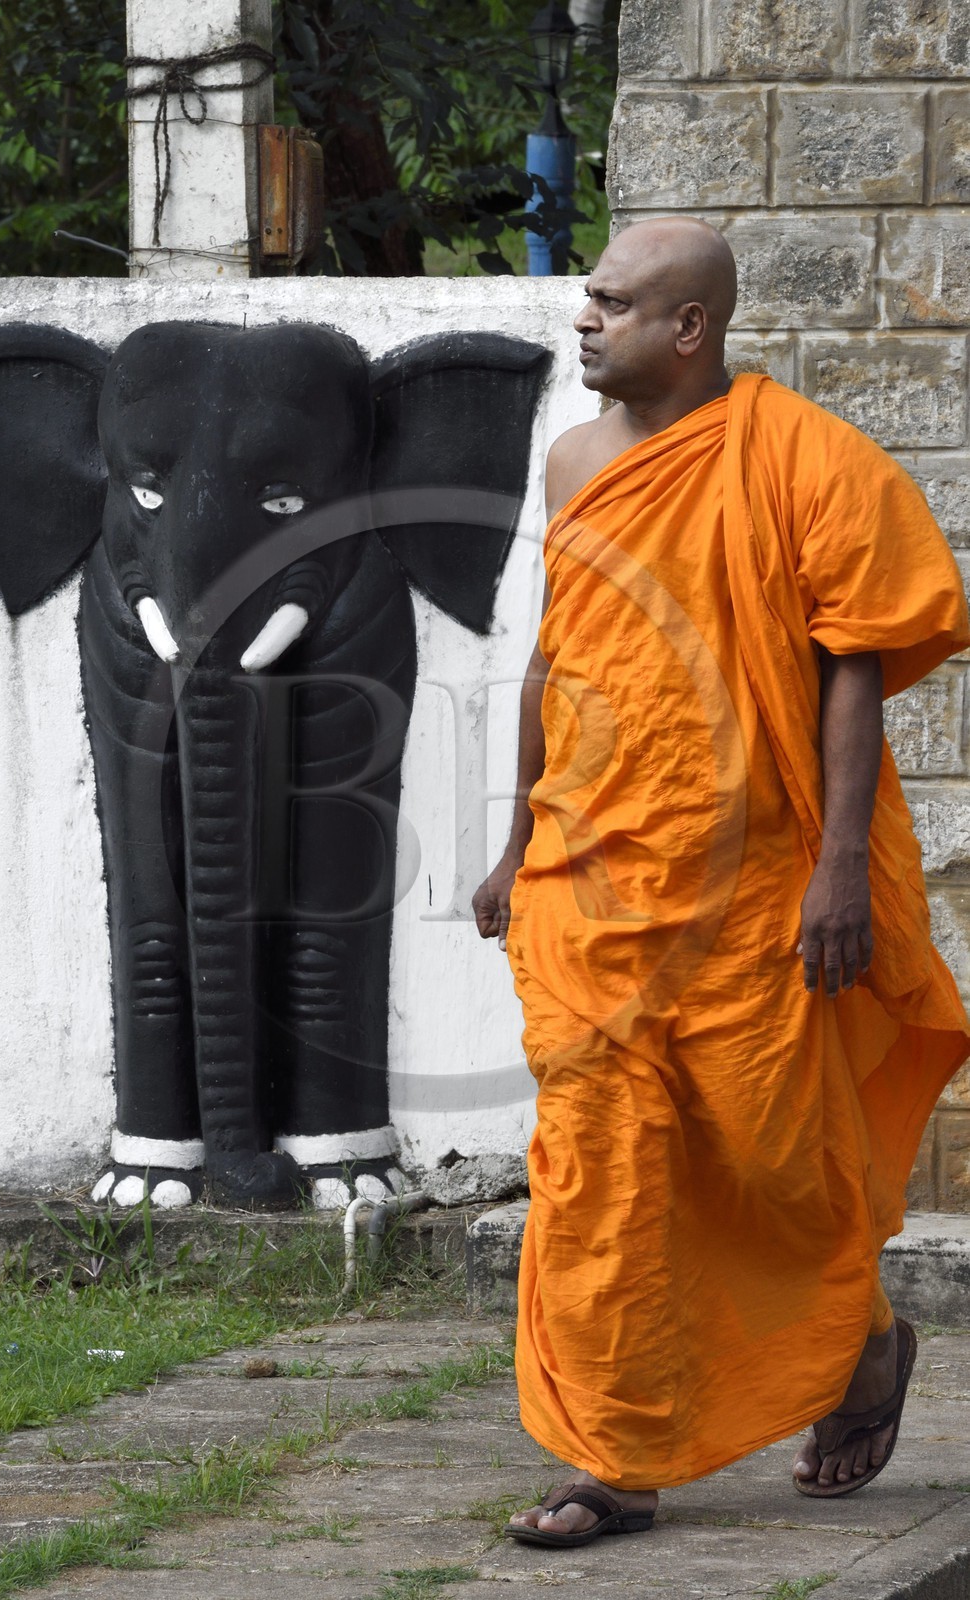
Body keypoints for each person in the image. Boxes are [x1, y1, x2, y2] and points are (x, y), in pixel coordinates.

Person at [472, 216, 970, 1547]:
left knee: (770, 1158)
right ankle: (609, 1458)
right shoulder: (573, 460)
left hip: (753, 886)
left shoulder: (808, 460)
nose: (584, 319)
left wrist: (841, 867)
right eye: (588, 297)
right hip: (589, 880)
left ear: (688, 327)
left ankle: (861, 1344)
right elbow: (557, 655)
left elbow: (855, 662)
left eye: (612, 301)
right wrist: (515, 839)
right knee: (597, 1165)